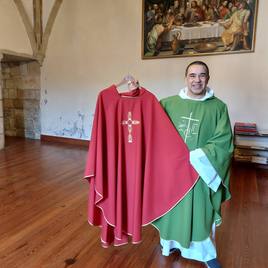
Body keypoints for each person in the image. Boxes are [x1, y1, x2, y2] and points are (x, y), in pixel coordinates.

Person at [152, 61, 233, 268]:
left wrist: (198, 156)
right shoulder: (167, 104)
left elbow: (223, 141)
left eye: (202, 75)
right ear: (186, 78)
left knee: (200, 210)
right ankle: (170, 244)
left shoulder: (218, 107)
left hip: (201, 171)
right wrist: (135, 94)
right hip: (173, 170)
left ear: (208, 78)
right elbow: (151, 127)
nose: (197, 80)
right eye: (192, 75)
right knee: (173, 208)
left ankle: (205, 253)